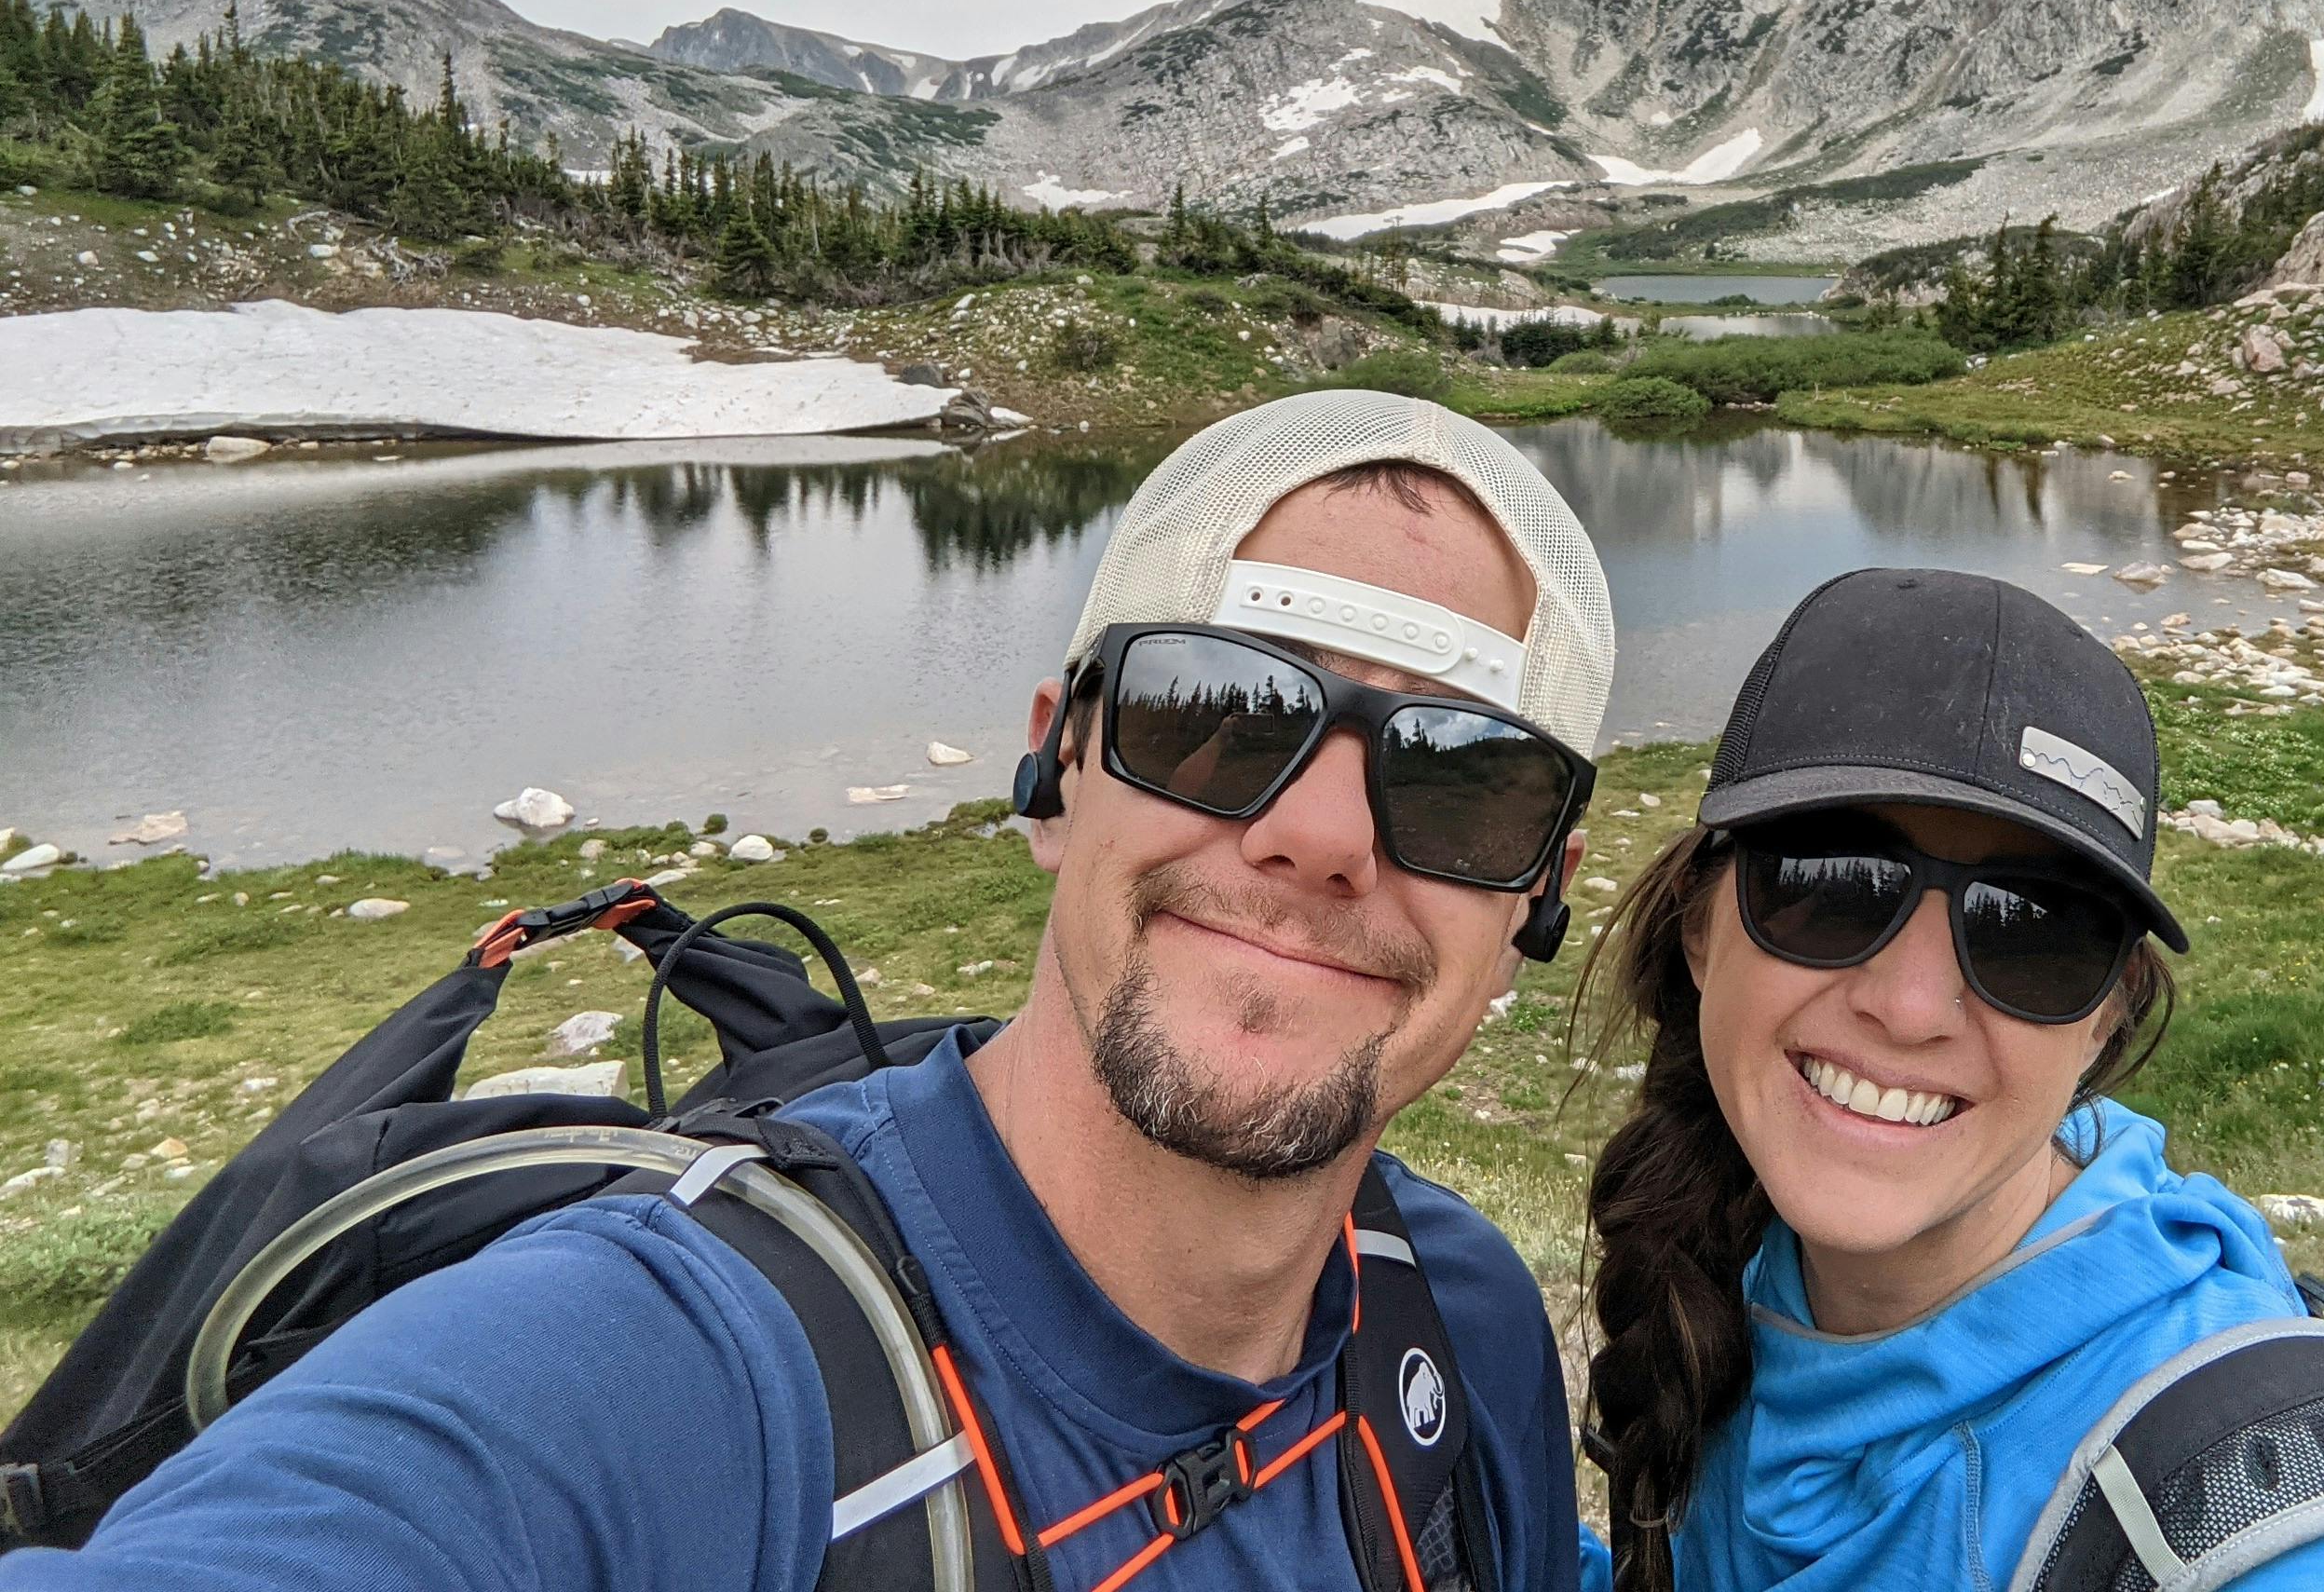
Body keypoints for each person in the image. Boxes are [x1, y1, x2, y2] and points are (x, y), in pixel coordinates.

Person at [5, 389, 1614, 1592]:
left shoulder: (1453, 1315)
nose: (1317, 834)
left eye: (1464, 779)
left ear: (1535, 891)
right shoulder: (668, 1367)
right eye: (1217, 715)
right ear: (1055, 762)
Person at [1581, 568, 2324, 1592]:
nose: (1911, 1008)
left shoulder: (2284, 1540)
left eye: (2032, 931)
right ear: (1701, 928)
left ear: (2106, 1017)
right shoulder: (1718, 1259)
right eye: (1832, 884)